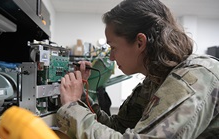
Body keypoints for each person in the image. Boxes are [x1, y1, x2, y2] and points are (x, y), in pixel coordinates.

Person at [55, 0, 219, 138]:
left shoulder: (194, 78)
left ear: (140, 42)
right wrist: (80, 97)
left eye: (113, 47)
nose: (111, 57)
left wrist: (71, 109)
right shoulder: (154, 80)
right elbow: (118, 128)